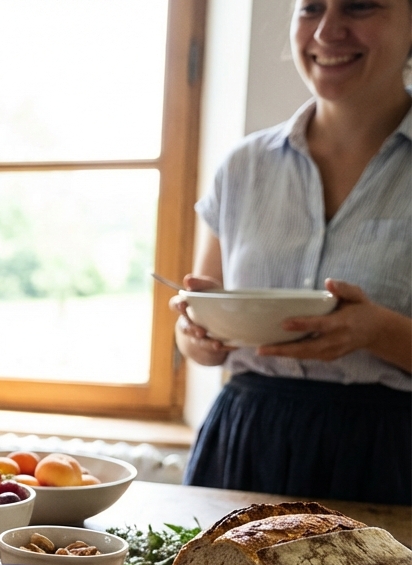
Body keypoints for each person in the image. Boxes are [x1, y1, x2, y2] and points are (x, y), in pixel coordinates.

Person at [171, 0, 412, 504]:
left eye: (359, 6)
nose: (327, 31)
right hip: (244, 443)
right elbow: (199, 343)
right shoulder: (243, 166)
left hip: (389, 452)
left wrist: (378, 331)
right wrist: (200, 330)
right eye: (311, 9)